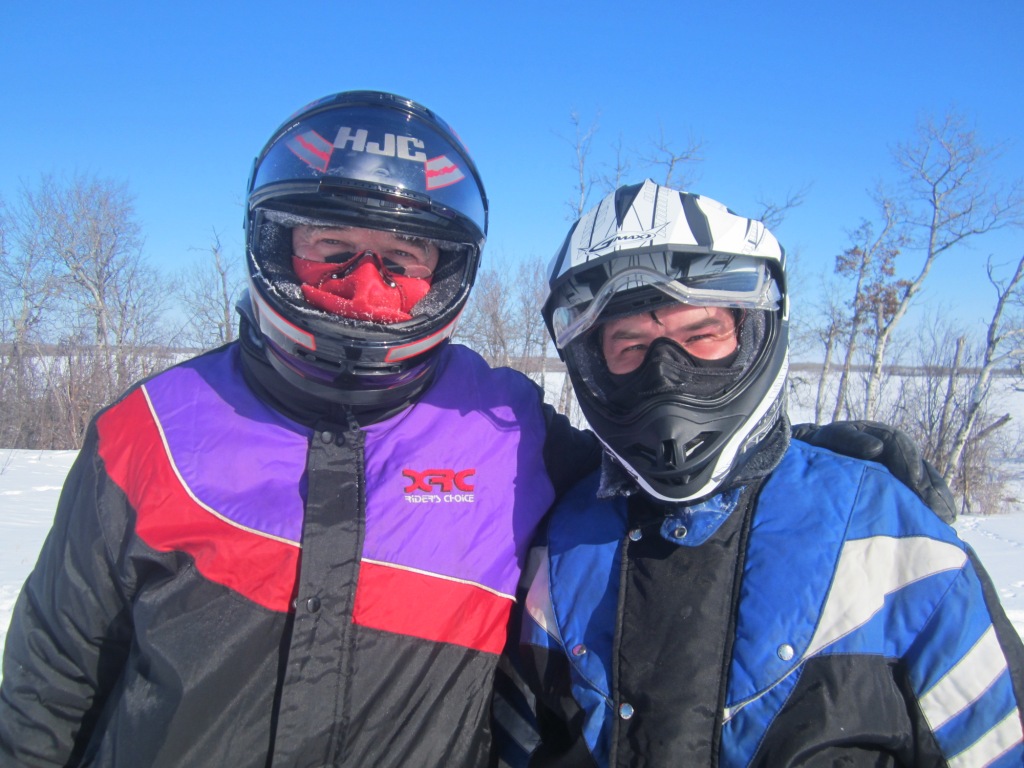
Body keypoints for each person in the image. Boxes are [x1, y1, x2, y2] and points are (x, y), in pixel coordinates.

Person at [0, 91, 956, 767]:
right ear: (277, 245)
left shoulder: (505, 429)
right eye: (333, 253)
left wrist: (799, 463)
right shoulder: (152, 431)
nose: (366, 292)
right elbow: (48, 684)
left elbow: (654, 463)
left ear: (446, 274)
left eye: (401, 262)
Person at [495, 180, 1024, 766]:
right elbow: (520, 745)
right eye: (631, 346)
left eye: (701, 335)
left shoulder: (889, 533)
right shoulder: (561, 544)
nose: (666, 374)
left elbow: (996, 744)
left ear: (753, 336)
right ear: (594, 364)